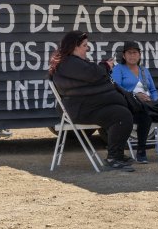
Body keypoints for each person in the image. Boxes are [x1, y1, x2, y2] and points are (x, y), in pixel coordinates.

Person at [50, 30, 137, 171]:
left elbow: (92, 76)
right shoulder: (69, 63)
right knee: (121, 115)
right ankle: (114, 158)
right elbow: (93, 74)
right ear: (74, 46)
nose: (87, 48)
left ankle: (116, 155)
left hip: (84, 106)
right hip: (79, 109)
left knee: (121, 113)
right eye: (84, 45)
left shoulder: (72, 62)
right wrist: (106, 66)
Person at [111, 41, 158, 163]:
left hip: (149, 105)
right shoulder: (119, 69)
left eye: (135, 53)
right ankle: (141, 152)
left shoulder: (144, 70)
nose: (132, 56)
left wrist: (156, 101)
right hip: (130, 106)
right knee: (145, 116)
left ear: (139, 55)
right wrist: (135, 95)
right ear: (124, 55)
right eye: (129, 53)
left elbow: (153, 90)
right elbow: (117, 88)